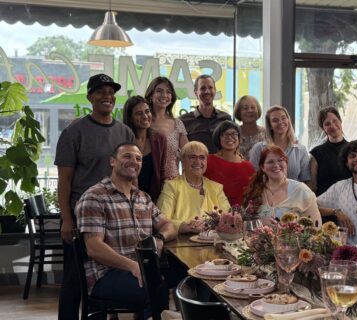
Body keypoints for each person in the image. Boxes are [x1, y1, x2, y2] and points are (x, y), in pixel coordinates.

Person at [54, 73, 135, 320]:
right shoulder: (74, 132)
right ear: (90, 97)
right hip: (82, 217)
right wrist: (67, 220)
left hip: (115, 219)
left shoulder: (125, 132)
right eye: (100, 92)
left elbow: (132, 175)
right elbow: (64, 180)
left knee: (103, 280)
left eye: (111, 92)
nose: (106, 96)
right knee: (74, 282)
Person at [76, 142, 177, 318]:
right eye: (127, 156)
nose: (134, 161)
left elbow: (169, 225)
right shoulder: (95, 197)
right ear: (112, 162)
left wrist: (160, 238)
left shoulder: (142, 197)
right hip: (106, 275)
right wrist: (132, 266)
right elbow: (93, 247)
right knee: (154, 289)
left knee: (190, 275)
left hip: (142, 268)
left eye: (138, 158)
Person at [157, 141, 230, 234]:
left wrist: (217, 221)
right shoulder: (171, 186)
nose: (198, 162)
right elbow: (161, 220)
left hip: (214, 242)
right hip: (181, 243)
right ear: (183, 161)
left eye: (202, 157)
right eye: (192, 157)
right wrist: (185, 226)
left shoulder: (216, 187)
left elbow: (229, 218)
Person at [243, 145, 321, 226]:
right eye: (270, 162)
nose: (276, 165)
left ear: (286, 164)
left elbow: (316, 228)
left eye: (280, 160)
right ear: (263, 167)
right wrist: (259, 222)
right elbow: (242, 224)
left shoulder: (302, 191)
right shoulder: (256, 190)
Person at [249, 105, 310, 182]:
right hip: (267, 193)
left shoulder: (301, 150)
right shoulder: (259, 148)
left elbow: (306, 180)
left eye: (283, 118)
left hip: (294, 193)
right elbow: (254, 178)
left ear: (288, 120)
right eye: (275, 120)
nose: (280, 122)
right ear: (270, 125)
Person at [123, 95, 167, 201]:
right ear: (130, 118)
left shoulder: (160, 139)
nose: (145, 116)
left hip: (152, 198)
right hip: (126, 197)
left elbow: (162, 171)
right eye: (139, 113)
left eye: (147, 111)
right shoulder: (123, 140)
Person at [145, 76, 188, 179]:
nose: (164, 95)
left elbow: (188, 155)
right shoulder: (144, 122)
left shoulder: (177, 124)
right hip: (146, 182)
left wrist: (185, 182)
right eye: (159, 91)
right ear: (151, 95)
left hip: (172, 184)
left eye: (168, 92)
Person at [204, 121, 256, 206]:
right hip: (213, 212)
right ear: (218, 138)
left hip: (242, 214)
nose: (230, 137)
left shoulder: (248, 166)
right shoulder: (208, 161)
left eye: (234, 134)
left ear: (239, 138)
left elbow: (253, 194)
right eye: (225, 134)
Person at [179, 74, 231, 153]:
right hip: (196, 165)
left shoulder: (226, 119)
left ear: (215, 91)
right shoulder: (183, 121)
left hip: (221, 165)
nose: (207, 91)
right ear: (196, 92)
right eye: (203, 88)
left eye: (210, 88)